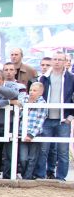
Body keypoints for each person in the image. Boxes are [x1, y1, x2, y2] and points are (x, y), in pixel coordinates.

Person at [36, 51, 74, 181]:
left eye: (60, 59)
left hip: (63, 120)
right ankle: (41, 175)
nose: (57, 62)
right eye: (55, 59)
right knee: (43, 149)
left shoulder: (71, 78)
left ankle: (61, 177)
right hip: (46, 119)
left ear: (65, 62)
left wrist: (71, 117)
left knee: (63, 151)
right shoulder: (44, 78)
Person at [19, 82, 47, 179]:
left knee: (32, 157)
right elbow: (18, 116)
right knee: (23, 158)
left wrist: (31, 135)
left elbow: (40, 121)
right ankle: (24, 174)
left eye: (34, 90)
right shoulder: (24, 100)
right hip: (22, 132)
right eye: (30, 90)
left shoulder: (42, 104)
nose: (31, 92)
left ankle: (27, 177)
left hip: (35, 134)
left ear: (41, 92)